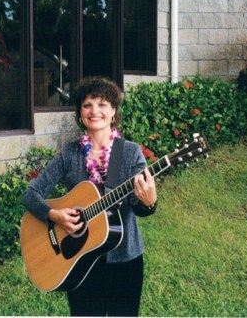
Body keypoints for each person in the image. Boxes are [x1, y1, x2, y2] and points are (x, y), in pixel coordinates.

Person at [22, 76, 157, 316]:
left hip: (124, 258)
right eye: (87, 105)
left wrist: (149, 203)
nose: (94, 111)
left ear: (113, 112)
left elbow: (139, 206)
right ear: (80, 114)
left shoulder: (129, 152)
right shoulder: (69, 154)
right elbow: (30, 194)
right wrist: (54, 215)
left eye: (102, 104)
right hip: (80, 260)